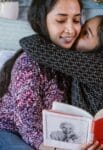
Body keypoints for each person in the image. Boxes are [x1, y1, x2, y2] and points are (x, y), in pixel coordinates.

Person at [22, 15, 103, 150]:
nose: (75, 32)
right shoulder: (79, 69)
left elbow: (32, 44)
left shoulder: (98, 66)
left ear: (102, 49)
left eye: (85, 33)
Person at [0, 0, 83, 149]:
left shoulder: (76, 58)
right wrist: (45, 146)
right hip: (10, 129)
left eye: (76, 20)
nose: (71, 29)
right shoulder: (28, 63)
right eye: (61, 20)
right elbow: (26, 122)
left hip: (51, 132)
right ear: (42, 21)